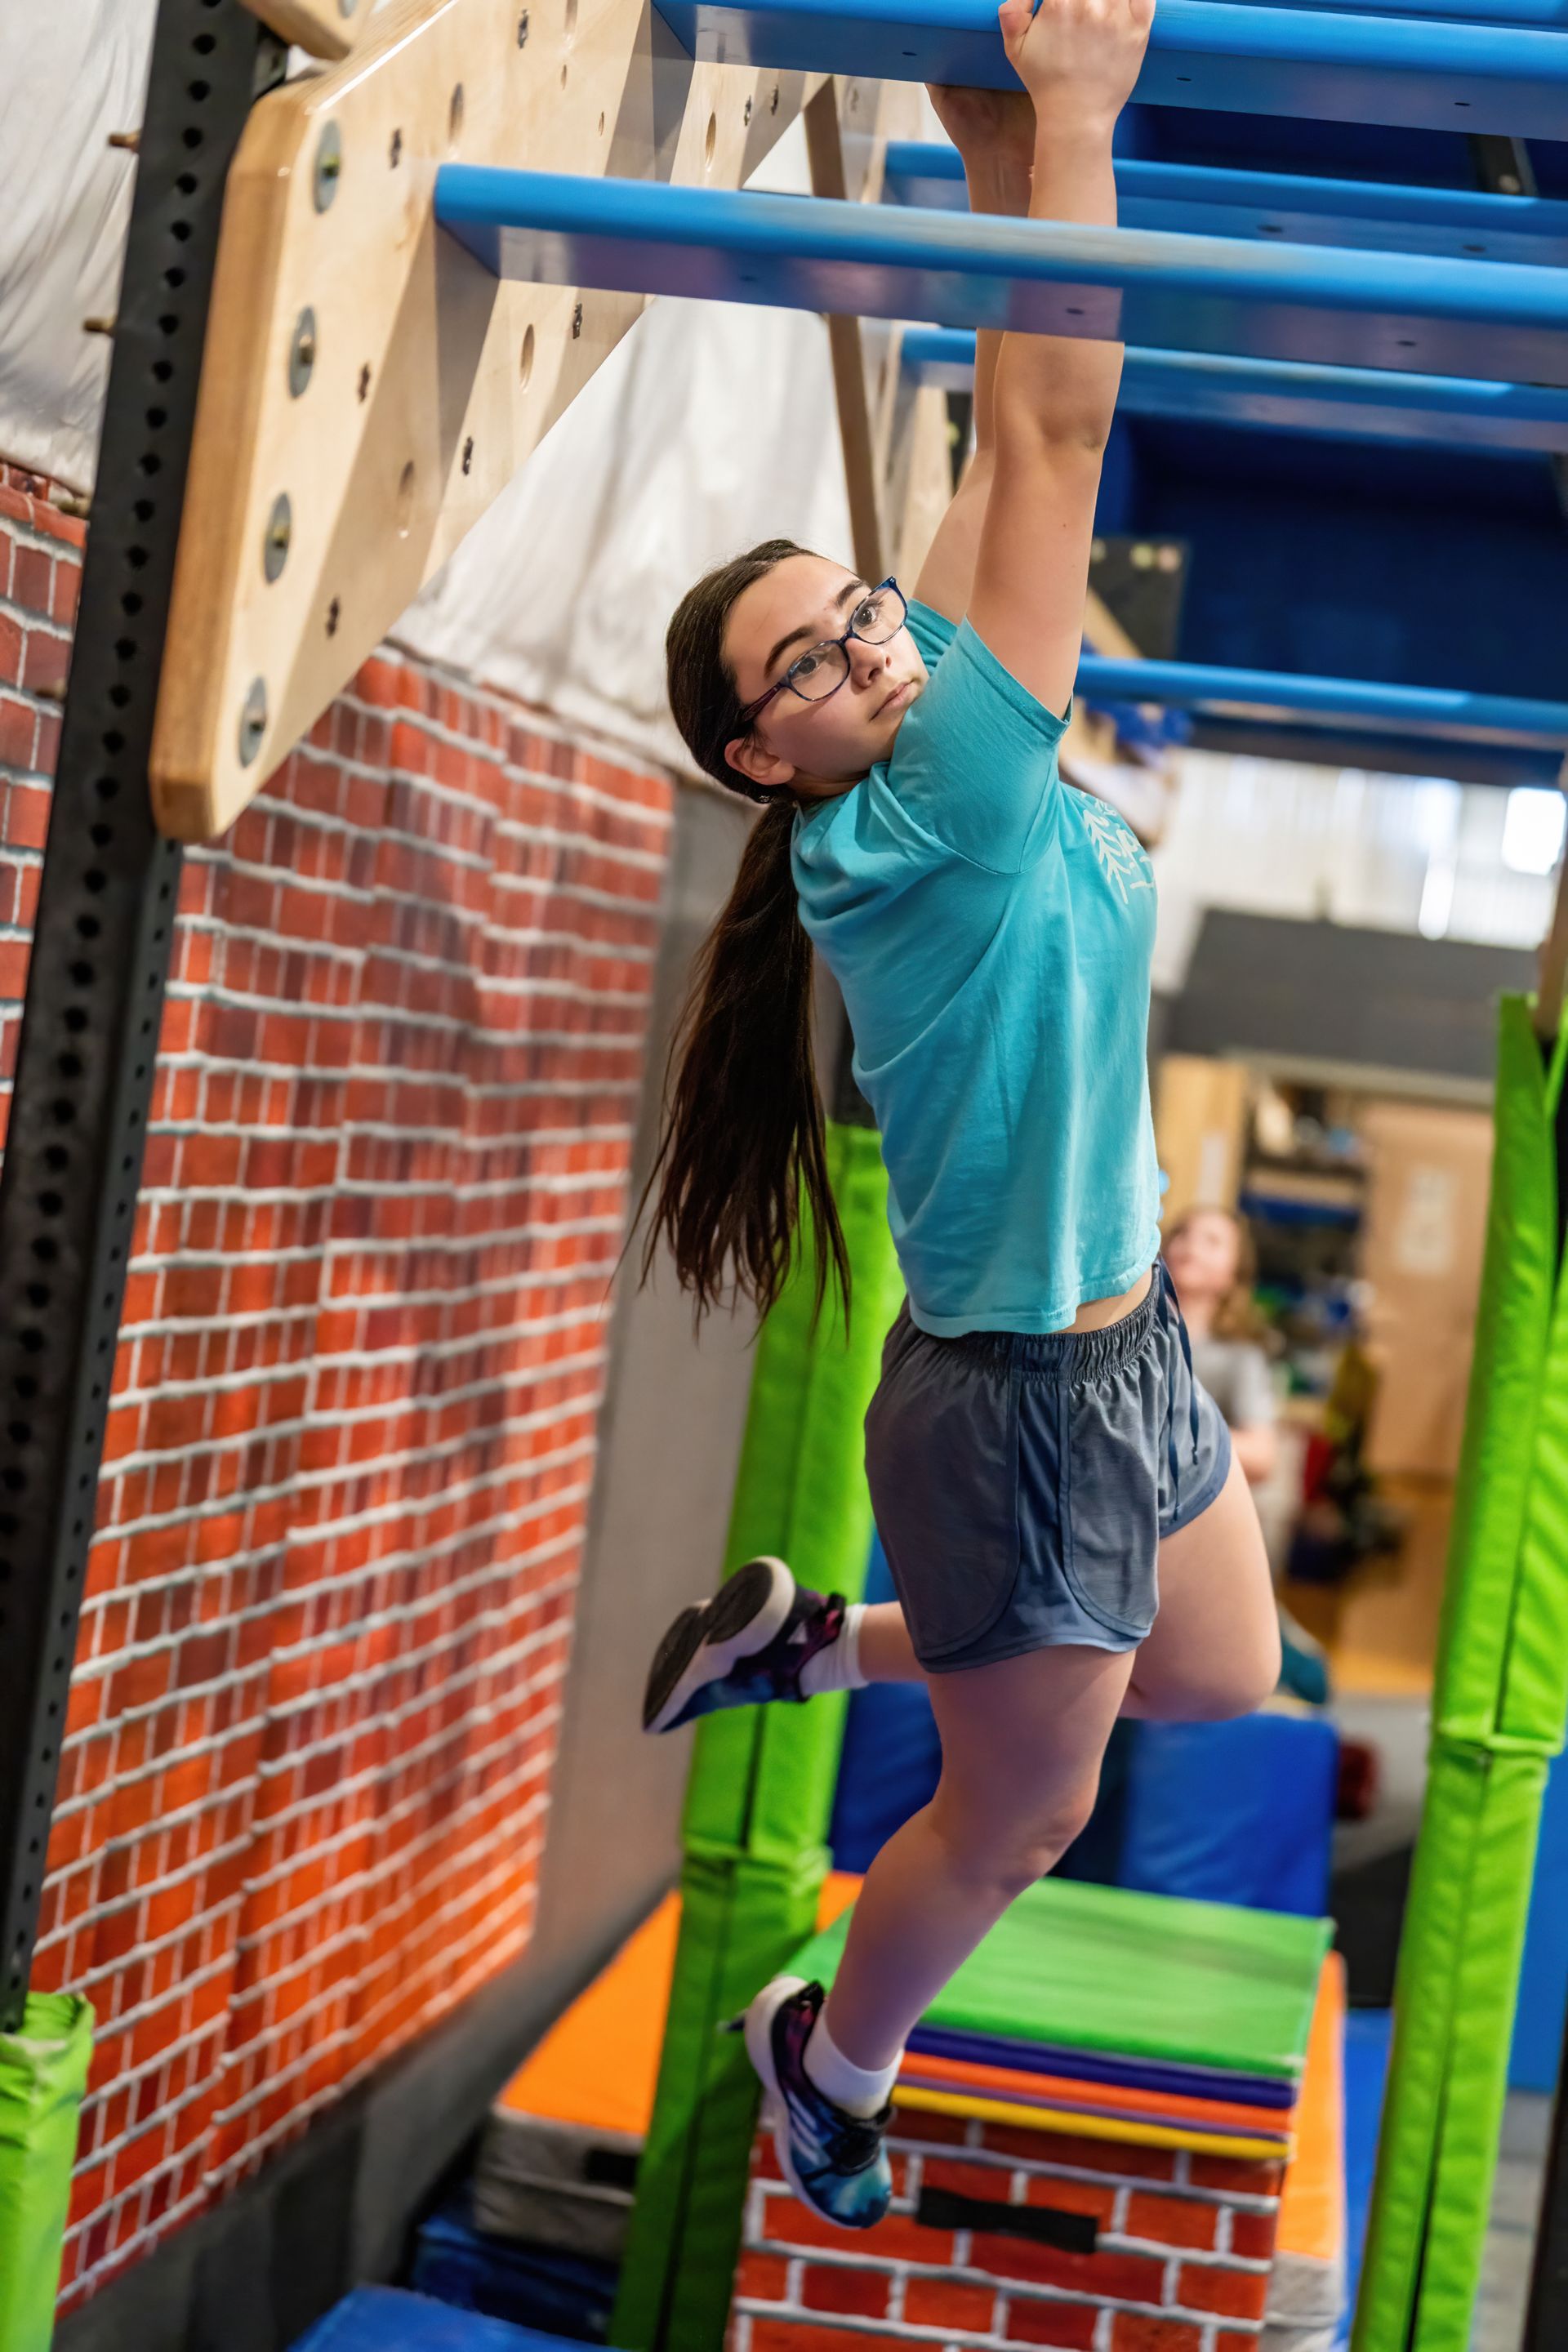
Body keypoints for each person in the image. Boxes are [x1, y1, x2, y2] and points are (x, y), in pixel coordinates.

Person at [635, 0, 1281, 2235]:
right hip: (1029, 1406)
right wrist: (1084, 114)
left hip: (1098, 1361)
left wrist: (1003, 134)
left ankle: (807, 1638)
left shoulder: (924, 753)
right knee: (1013, 1819)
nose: (857, 653)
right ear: (761, 758)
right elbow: (1059, 426)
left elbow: (1012, 445)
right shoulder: (941, 803)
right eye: (801, 667)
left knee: (1222, 1670)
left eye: (853, 614)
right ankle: (829, 2055)